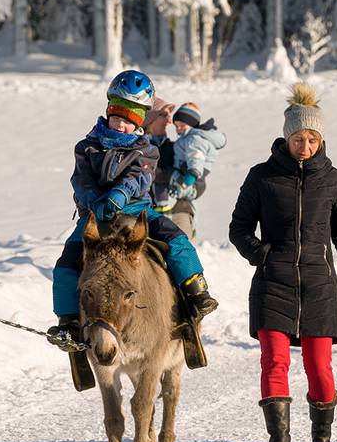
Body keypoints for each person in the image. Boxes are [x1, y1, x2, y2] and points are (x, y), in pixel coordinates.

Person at [228, 84, 337, 442]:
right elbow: (239, 228)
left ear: (321, 139)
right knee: (274, 362)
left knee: (319, 366)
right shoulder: (261, 177)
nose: (305, 146)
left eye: (312, 139)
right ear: (286, 137)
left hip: (318, 287)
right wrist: (260, 254)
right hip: (272, 283)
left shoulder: (332, 180)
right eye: (299, 138)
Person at [45, 71, 219, 352]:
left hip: (136, 213)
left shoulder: (145, 150)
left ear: (141, 122)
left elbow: (139, 177)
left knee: (176, 240)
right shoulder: (87, 147)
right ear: (108, 112)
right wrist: (92, 200)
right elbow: (81, 179)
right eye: (117, 116)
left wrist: (119, 195)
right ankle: (68, 323)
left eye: (130, 120)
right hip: (95, 217)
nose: (122, 124)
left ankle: (194, 293)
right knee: (67, 262)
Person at [152, 102, 226, 239]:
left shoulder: (175, 146)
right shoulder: (137, 148)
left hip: (180, 210)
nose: (169, 121)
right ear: (149, 118)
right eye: (164, 115)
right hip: (148, 214)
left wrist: (190, 183)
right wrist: (170, 176)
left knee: (181, 250)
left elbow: (198, 181)